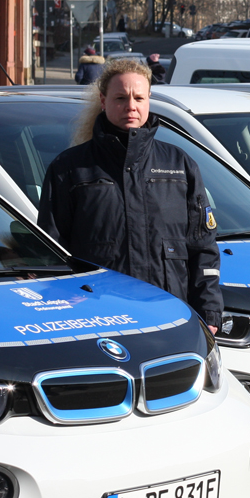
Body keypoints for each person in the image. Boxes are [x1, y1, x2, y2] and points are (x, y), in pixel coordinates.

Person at [38, 60, 222, 334]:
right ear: (103, 100)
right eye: (121, 98)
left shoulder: (179, 165)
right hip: (98, 318)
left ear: (149, 99)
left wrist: (208, 312)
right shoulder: (69, 168)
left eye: (139, 97)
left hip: (170, 315)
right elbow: (51, 250)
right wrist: (63, 297)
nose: (131, 106)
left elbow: (203, 249)